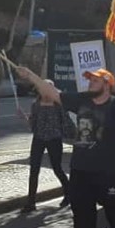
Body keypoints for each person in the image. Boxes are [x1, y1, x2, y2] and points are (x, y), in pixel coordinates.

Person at [17, 67, 115, 228]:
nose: (90, 83)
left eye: (95, 81)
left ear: (107, 85)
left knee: (113, 209)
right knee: (81, 211)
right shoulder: (81, 100)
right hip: (81, 168)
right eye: (90, 80)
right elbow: (52, 93)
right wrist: (31, 76)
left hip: (109, 170)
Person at [18, 79, 70, 213]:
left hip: (54, 139)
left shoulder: (59, 105)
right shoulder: (36, 105)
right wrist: (24, 118)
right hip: (39, 139)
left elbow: (65, 123)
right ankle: (31, 202)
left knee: (57, 168)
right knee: (34, 170)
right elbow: (32, 124)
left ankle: (69, 193)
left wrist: (60, 134)